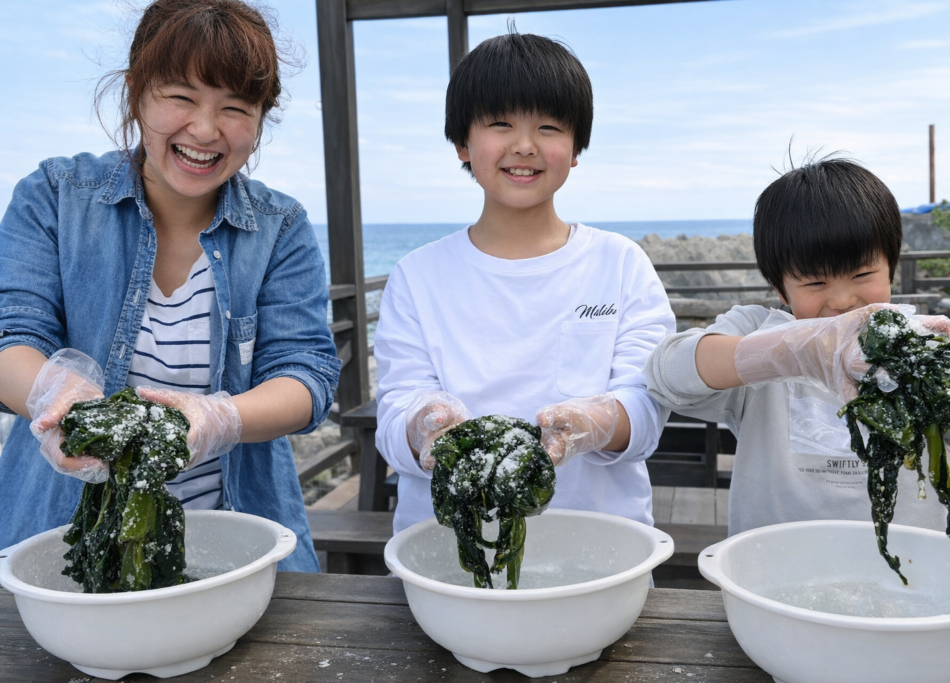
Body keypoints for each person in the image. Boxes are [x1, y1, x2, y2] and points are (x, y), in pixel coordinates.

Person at [0, 0, 340, 572]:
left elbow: (307, 375)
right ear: (137, 92)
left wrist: (217, 419)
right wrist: (61, 400)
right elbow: (12, 338)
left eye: (235, 107)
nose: (205, 130)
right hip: (57, 536)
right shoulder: (55, 195)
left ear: (260, 120)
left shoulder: (281, 226)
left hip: (239, 543)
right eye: (180, 97)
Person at [373, 32, 676, 534]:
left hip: (600, 541)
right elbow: (395, 421)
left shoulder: (621, 264)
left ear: (576, 147)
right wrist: (423, 421)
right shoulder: (417, 275)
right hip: (445, 544)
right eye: (500, 123)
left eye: (550, 127)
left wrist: (592, 423)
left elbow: (644, 413)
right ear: (462, 143)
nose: (525, 145)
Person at [645, 158, 950, 536]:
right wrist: (788, 351)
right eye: (814, 283)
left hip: (909, 572)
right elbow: (667, 374)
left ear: (890, 268)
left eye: (862, 274)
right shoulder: (756, 329)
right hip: (774, 568)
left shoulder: (922, 342)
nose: (842, 300)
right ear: (780, 288)